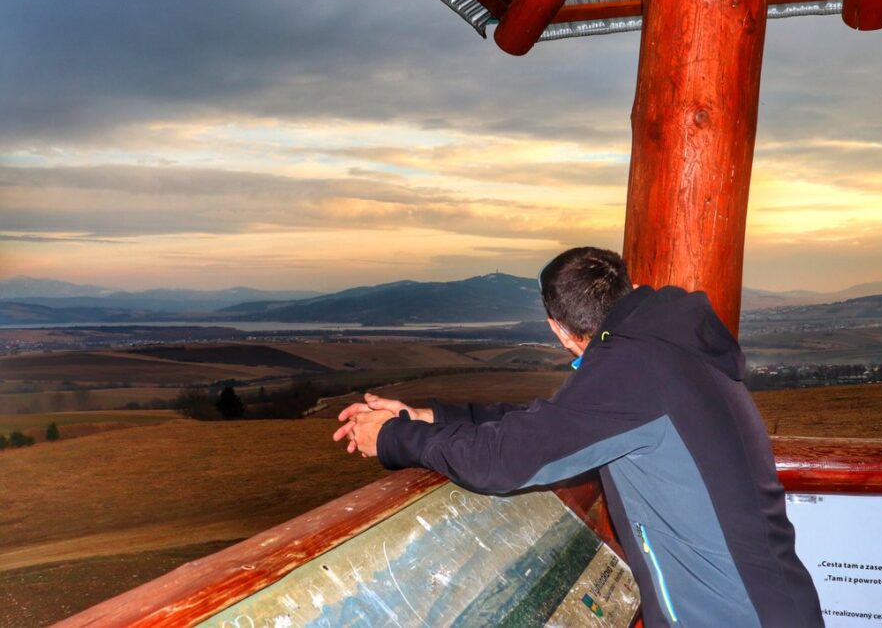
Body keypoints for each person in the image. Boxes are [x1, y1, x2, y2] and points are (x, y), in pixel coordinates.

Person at [334, 247, 823, 627]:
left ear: (559, 329)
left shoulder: (633, 367)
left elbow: (505, 460)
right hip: (770, 601)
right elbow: (551, 423)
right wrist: (427, 416)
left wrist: (395, 437)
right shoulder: (664, 350)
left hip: (731, 616)